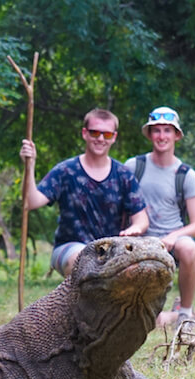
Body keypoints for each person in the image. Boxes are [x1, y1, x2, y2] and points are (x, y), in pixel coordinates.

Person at [19, 108, 149, 276]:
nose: (100, 139)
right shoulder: (65, 171)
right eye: (95, 133)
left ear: (114, 137)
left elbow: (142, 219)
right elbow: (30, 202)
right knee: (83, 261)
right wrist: (29, 166)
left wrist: (135, 228)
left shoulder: (124, 175)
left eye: (107, 134)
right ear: (85, 133)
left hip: (112, 250)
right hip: (69, 248)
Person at [124, 106, 195, 328]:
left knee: (189, 247)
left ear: (176, 135)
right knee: (150, 321)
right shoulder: (133, 166)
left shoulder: (186, 175)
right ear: (149, 134)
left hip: (173, 241)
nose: (162, 136)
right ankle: (163, 315)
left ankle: (185, 313)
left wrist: (172, 237)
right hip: (138, 240)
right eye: (156, 130)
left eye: (167, 131)